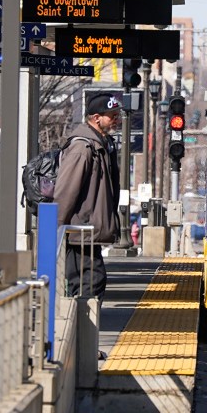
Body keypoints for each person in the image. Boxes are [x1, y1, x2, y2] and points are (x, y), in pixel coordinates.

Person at [54, 91, 121, 300]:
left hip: (87, 233)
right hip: (79, 232)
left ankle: (84, 330)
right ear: (96, 118)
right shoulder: (82, 148)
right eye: (112, 115)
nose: (116, 120)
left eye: (117, 114)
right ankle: (80, 331)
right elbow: (65, 191)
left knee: (91, 282)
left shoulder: (101, 145)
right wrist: (56, 229)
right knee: (88, 284)